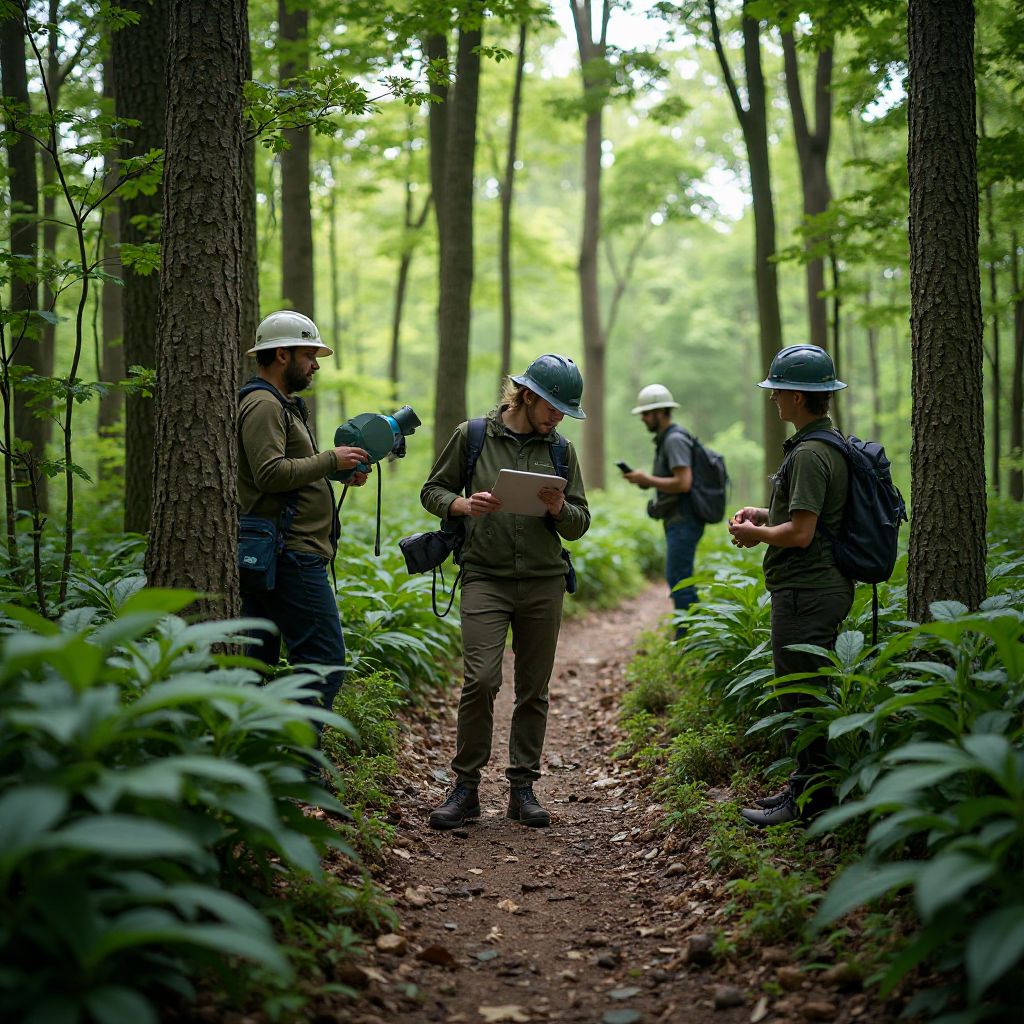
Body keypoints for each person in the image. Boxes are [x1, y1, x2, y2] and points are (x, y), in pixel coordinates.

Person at [421, 355, 591, 830]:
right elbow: (432, 490)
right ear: (528, 395)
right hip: (484, 576)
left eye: (564, 412)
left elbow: (580, 523)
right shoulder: (473, 435)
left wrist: (560, 509)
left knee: (533, 689)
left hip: (543, 581)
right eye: (554, 407)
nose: (557, 418)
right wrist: (460, 504)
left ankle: (522, 790)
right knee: (480, 680)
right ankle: (466, 789)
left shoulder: (561, 450)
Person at [727, 344, 852, 826]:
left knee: (800, 695)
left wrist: (753, 534)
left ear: (798, 396)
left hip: (807, 591)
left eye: (778, 389)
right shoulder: (826, 445)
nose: (773, 398)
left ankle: (809, 803)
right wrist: (764, 514)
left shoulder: (809, 454)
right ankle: (804, 792)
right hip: (817, 587)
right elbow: (807, 517)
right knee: (804, 691)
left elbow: (800, 534)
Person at [238, 309, 370, 727]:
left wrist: (334, 469)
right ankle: (300, 763)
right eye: (309, 355)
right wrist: (330, 458)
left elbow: (292, 466)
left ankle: (266, 758)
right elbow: (269, 473)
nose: (315, 365)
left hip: (286, 552)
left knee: (256, 662)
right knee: (323, 659)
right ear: (281, 355)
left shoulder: (283, 405)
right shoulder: (262, 405)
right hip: (289, 553)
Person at [622, 384, 705, 634]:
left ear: (660, 412)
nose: (643, 418)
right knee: (679, 579)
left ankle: (689, 638)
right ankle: (691, 636)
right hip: (678, 519)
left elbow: (683, 482)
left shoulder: (675, 439)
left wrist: (647, 480)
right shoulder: (668, 439)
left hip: (684, 520)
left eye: (647, 413)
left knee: (680, 581)